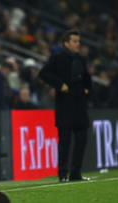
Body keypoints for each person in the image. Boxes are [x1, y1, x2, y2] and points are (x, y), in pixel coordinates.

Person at [39, 29, 92, 182]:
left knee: (81, 140)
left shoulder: (81, 59)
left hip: (80, 105)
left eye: (78, 41)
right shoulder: (58, 57)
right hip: (65, 105)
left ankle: (76, 173)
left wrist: (88, 88)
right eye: (75, 41)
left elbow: (87, 77)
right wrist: (59, 84)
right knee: (65, 142)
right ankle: (63, 174)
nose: (78, 44)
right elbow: (43, 73)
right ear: (66, 43)